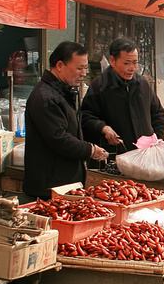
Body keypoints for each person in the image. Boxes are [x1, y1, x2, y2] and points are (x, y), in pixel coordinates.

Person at [24, 42, 108, 200]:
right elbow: (58, 138)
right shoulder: (45, 96)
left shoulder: (62, 92)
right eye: (79, 68)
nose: (84, 73)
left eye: (85, 68)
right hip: (49, 188)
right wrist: (90, 150)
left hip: (64, 184)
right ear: (60, 65)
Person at [81, 37, 164, 154]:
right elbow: (85, 116)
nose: (132, 68)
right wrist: (102, 127)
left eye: (135, 62)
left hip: (146, 155)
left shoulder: (142, 84)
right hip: (116, 156)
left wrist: (158, 139)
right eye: (126, 63)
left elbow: (157, 113)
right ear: (113, 61)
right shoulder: (99, 86)